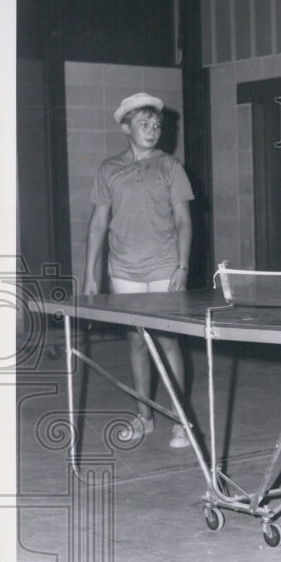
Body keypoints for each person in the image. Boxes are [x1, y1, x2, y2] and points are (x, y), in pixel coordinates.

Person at [83, 93, 194, 449]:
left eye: (157, 124)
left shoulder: (170, 166)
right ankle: (143, 416)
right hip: (123, 269)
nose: (153, 130)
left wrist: (182, 265)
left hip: (163, 265)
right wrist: (90, 273)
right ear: (125, 127)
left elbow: (183, 221)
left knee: (168, 339)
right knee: (136, 340)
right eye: (144, 124)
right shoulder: (108, 169)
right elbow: (98, 224)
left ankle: (181, 420)